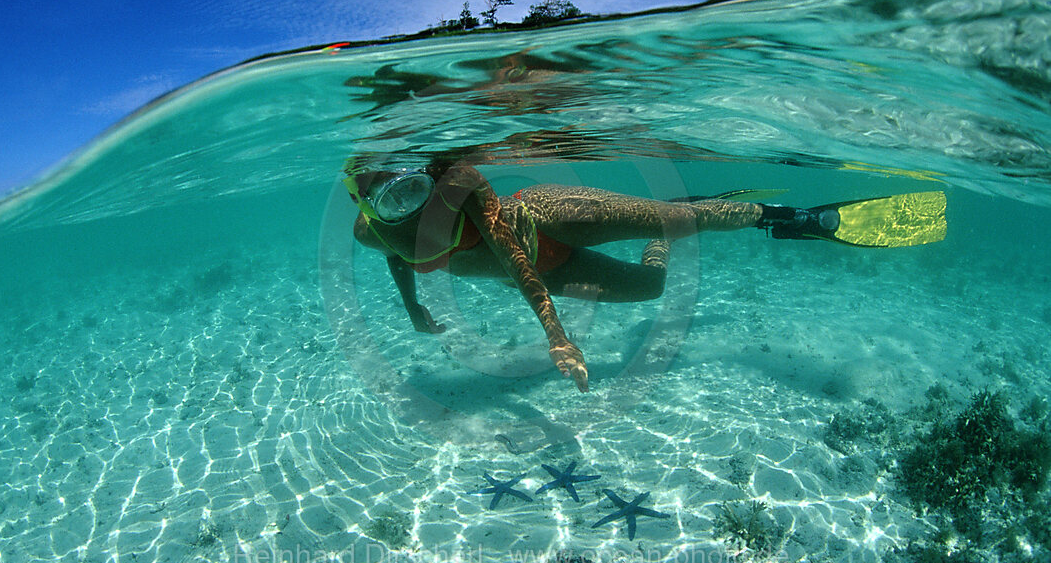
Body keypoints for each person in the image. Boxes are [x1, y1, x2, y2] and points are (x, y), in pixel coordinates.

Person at [345, 159, 946, 393]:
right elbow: (400, 257)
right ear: (363, 203)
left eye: (413, 184)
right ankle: (672, 232)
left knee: (675, 215)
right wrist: (412, 309)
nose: (412, 203)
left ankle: (791, 218)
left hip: (544, 218)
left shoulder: (459, 184)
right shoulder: (371, 234)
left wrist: (556, 335)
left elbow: (512, 260)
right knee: (652, 286)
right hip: (555, 271)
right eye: (391, 198)